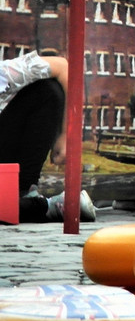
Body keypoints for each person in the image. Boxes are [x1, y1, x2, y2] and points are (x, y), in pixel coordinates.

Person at [0, 52, 95, 224]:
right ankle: (41, 207)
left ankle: (25, 192)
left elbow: (64, 67)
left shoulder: (4, 74)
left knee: (48, 89)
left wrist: (66, 136)